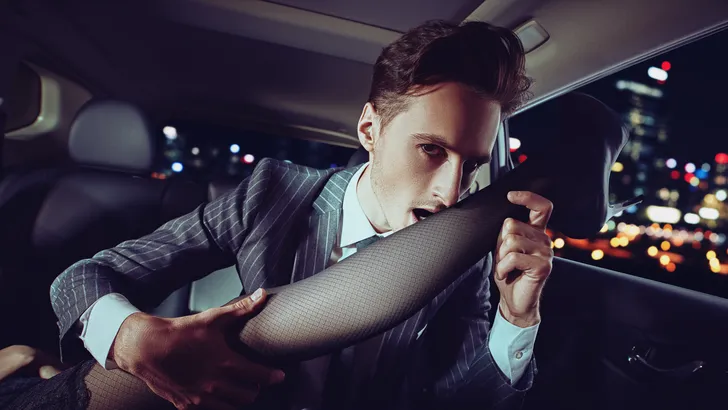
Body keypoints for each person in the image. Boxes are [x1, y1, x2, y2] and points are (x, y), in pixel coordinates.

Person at [44, 19, 554, 410]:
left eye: (472, 166)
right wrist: (129, 336)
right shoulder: (273, 194)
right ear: (370, 130)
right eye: (431, 150)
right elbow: (82, 278)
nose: (450, 192)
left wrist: (517, 317)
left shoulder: (462, 250)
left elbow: (459, 401)